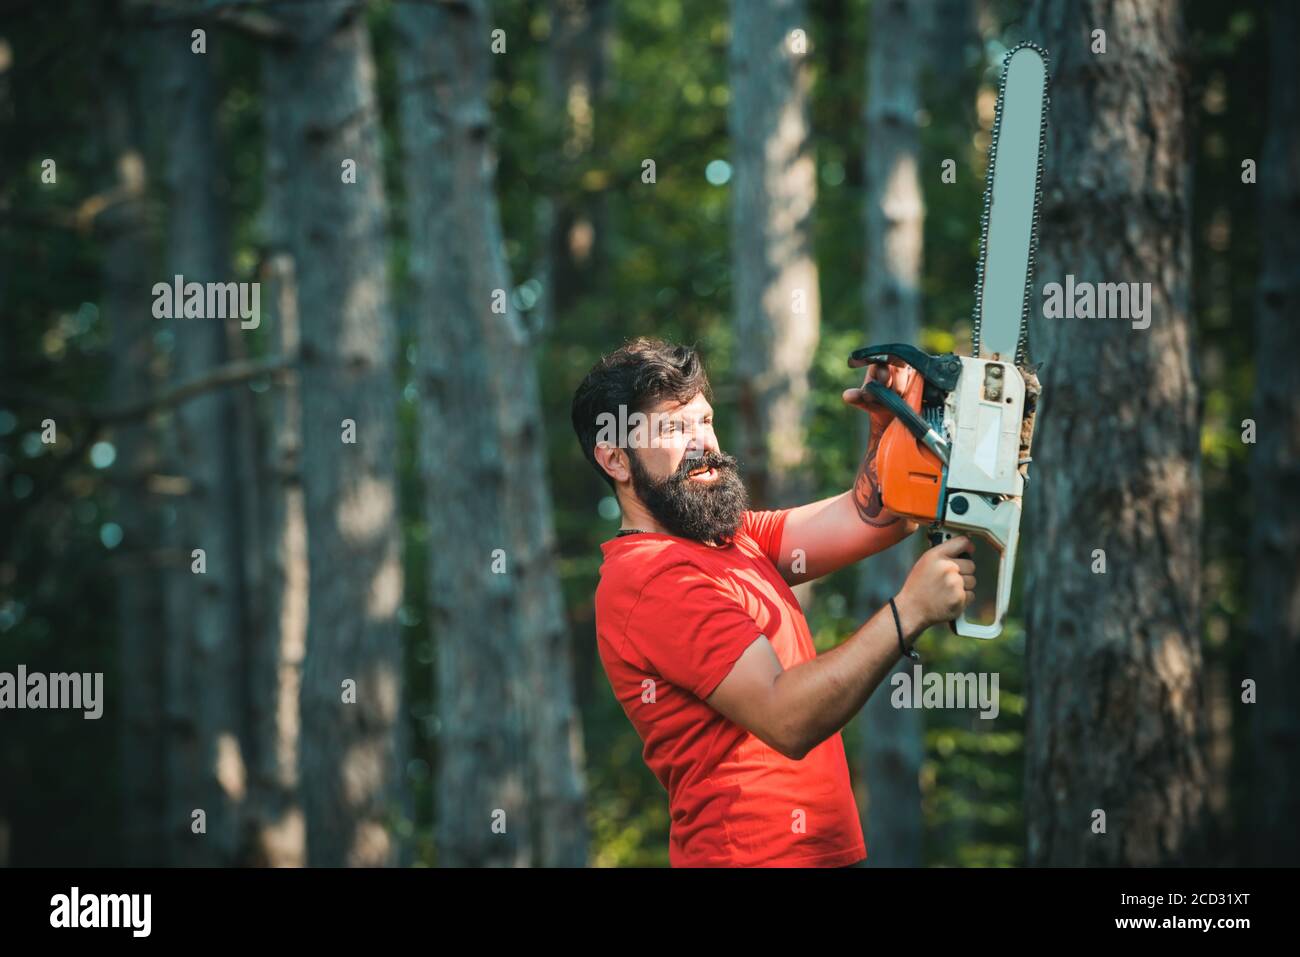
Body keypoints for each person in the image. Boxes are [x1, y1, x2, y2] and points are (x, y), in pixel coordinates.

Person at [571, 337, 975, 867]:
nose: (703, 445)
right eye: (674, 427)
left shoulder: (729, 538)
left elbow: (873, 517)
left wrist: (890, 428)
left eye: (705, 420)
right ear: (616, 459)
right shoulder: (650, 578)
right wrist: (910, 612)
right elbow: (788, 718)